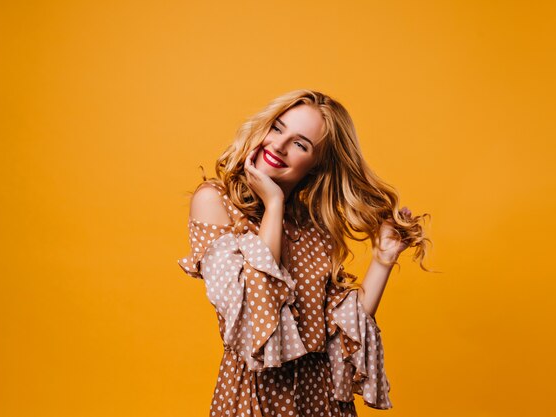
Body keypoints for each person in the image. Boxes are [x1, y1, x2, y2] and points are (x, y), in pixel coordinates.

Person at [177, 89, 432, 416]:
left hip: (322, 399)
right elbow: (258, 317)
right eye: (277, 128)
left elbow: (340, 337)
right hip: (257, 398)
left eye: (300, 144)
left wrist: (384, 258)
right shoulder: (215, 201)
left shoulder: (314, 223)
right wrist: (273, 203)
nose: (279, 146)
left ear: (316, 165)